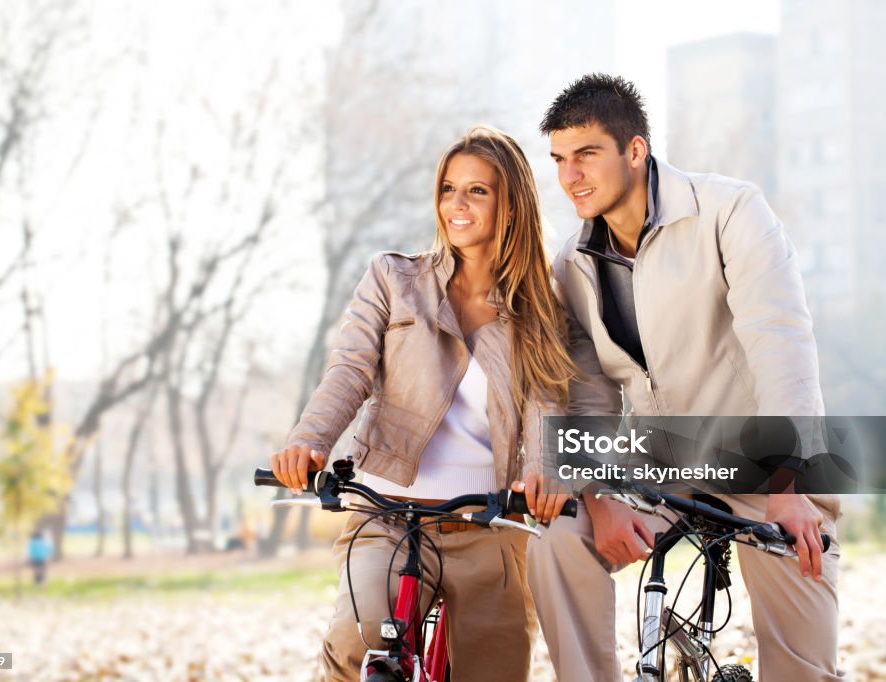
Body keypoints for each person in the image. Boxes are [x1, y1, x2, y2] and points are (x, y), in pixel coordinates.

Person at [522, 74, 843, 681]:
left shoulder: (729, 211)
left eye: (587, 154)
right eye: (560, 160)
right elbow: (587, 391)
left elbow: (781, 342)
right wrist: (598, 496)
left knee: (804, 667)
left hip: (759, 462)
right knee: (559, 540)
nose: (571, 177)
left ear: (635, 150)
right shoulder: (572, 264)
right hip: (658, 462)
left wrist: (786, 483)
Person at [270, 125, 576, 682]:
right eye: (448, 188)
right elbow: (349, 371)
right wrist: (309, 440)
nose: (456, 205)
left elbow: (548, 403)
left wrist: (545, 471)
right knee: (355, 643)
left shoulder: (538, 308)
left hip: (487, 524)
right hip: (386, 516)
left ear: (511, 206)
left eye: (477, 191)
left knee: (498, 668)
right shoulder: (394, 279)